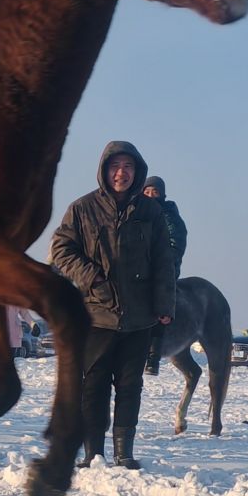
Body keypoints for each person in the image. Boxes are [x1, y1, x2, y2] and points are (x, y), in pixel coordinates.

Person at [50, 142, 176, 471]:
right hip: (95, 315)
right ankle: (94, 452)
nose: (122, 173)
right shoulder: (82, 209)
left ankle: (124, 452)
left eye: (128, 167)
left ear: (137, 173)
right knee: (93, 386)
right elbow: (61, 249)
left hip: (139, 317)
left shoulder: (151, 213)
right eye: (115, 166)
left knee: (130, 385)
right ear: (105, 171)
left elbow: (164, 261)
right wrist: (92, 278)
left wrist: (164, 304)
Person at [140, 175, 187, 375]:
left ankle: (153, 356)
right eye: (147, 192)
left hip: (164, 268)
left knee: (158, 303)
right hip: (141, 266)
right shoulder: (138, 212)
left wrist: (164, 265)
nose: (150, 196)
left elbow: (176, 244)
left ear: (162, 194)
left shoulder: (169, 215)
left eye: (155, 192)